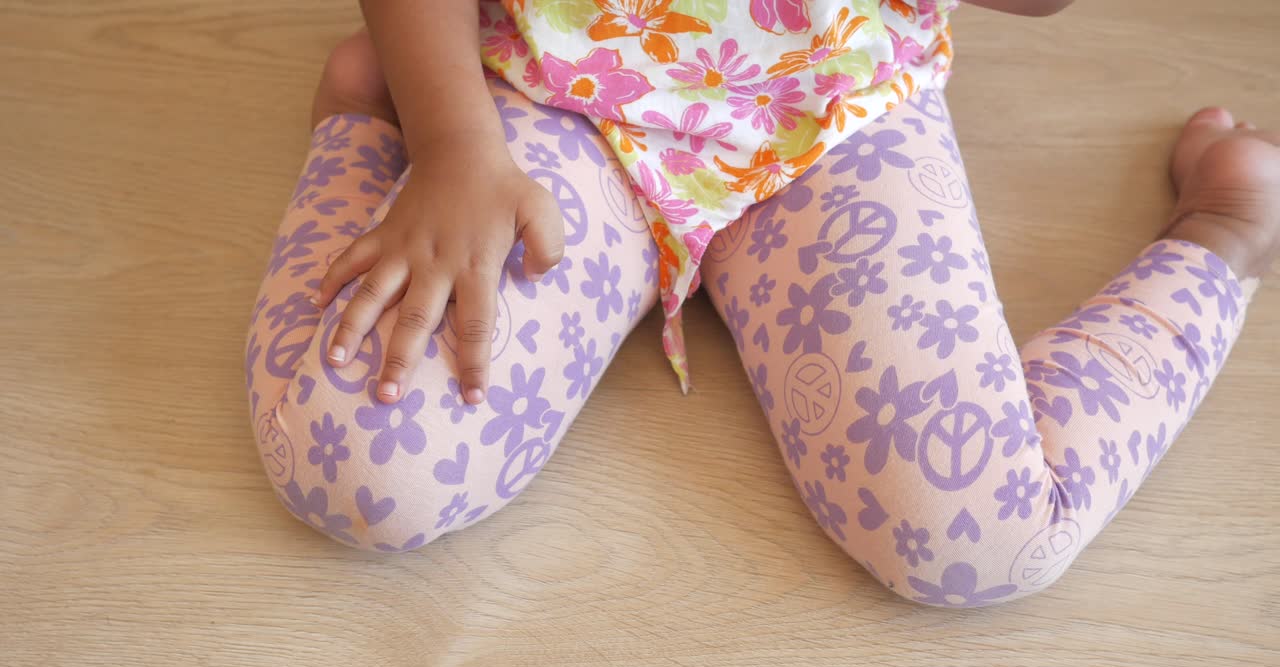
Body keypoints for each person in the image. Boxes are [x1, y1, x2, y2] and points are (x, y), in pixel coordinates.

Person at [245, 0, 1280, 606]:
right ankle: (368, 113)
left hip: (832, 112)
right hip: (552, 87)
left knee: (979, 540)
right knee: (360, 470)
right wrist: (448, 140)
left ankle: (1220, 237)